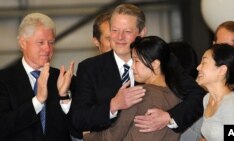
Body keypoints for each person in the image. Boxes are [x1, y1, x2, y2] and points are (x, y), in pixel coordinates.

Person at [71, 3, 205, 135]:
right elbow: (78, 118)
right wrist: (113, 105)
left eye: (127, 31)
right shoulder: (89, 68)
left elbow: (198, 96)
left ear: (142, 33)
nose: (120, 37)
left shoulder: (160, 58)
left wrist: (169, 117)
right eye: (115, 30)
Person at [83, 36, 183, 141]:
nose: (132, 67)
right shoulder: (178, 96)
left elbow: (112, 136)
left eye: (136, 61)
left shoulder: (139, 93)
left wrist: (87, 135)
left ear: (155, 64)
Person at [0, 13, 74, 141]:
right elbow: (3, 127)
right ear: (23, 43)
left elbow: (79, 129)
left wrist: (64, 97)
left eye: (51, 42)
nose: (47, 48)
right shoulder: (4, 80)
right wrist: (38, 101)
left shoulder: (65, 79)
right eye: (41, 42)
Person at [196, 44, 234, 141]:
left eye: (204, 62)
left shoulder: (230, 105)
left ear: (221, 70)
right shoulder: (207, 99)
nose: (198, 67)